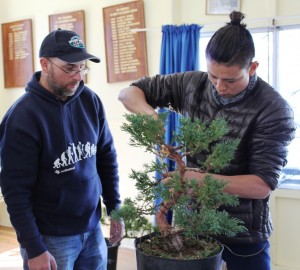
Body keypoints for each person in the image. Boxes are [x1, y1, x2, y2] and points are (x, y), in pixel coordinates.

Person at [118, 11, 296, 270]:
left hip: (243, 231)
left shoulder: (274, 109)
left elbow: (261, 185)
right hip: (193, 223)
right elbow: (128, 93)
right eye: (213, 76)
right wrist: (151, 117)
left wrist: (196, 179)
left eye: (230, 79)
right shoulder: (193, 84)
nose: (219, 86)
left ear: (252, 67)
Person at [0, 29, 124, 270]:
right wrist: (34, 248)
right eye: (69, 68)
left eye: (82, 67)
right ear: (45, 64)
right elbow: (15, 191)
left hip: (92, 229)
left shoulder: (90, 100)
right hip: (50, 238)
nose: (78, 76)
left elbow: (106, 156)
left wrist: (115, 206)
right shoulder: (22, 117)